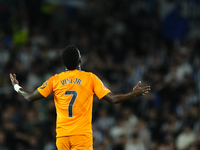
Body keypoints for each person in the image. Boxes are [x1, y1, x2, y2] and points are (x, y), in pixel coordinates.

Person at [10, 45, 151, 150]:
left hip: (62, 137)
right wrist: (133, 93)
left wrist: (16, 86)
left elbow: (29, 97)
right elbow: (113, 99)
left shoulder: (55, 80)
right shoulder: (89, 78)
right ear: (80, 60)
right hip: (81, 136)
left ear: (64, 63)